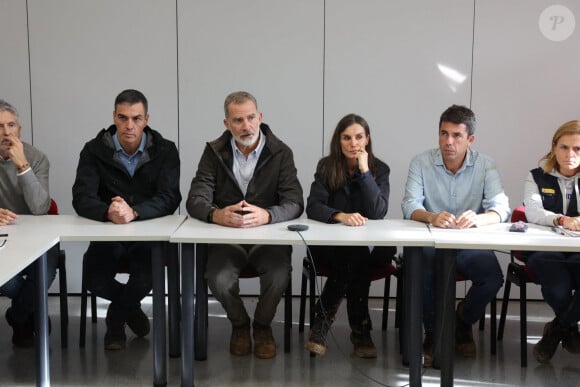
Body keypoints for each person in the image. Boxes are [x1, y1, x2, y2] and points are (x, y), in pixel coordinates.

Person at [186, 91, 303, 359]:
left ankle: (262, 327)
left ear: (260, 117)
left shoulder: (281, 152)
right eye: (238, 120)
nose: (246, 126)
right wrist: (215, 215)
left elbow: (295, 201)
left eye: (251, 118)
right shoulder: (214, 151)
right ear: (227, 123)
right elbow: (195, 198)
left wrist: (268, 215)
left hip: (268, 239)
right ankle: (240, 325)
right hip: (228, 239)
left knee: (278, 277)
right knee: (218, 278)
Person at [401, 104, 510, 367]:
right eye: (443, 133)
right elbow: (409, 205)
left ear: (470, 139)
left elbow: (502, 208)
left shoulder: (485, 165)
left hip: (468, 242)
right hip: (431, 241)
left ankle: (462, 321)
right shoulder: (421, 162)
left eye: (456, 136)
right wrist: (431, 216)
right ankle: (432, 334)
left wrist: (479, 218)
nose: (448, 142)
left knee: (492, 278)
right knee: (424, 272)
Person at [72, 89, 181, 350]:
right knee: (93, 278)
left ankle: (115, 322)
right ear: (114, 117)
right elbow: (81, 197)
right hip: (109, 233)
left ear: (146, 119)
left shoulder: (165, 150)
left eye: (136, 118)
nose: (129, 125)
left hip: (147, 234)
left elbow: (170, 196)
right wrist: (108, 212)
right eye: (122, 118)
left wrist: (135, 212)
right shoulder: (94, 150)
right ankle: (131, 312)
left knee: (146, 277)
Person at [304, 113, 395, 358]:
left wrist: (365, 173)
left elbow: (378, 211)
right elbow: (312, 206)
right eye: (346, 138)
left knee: (357, 256)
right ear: (338, 140)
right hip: (330, 247)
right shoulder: (326, 167)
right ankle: (361, 330)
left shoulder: (380, 169)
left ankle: (322, 319)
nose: (353, 143)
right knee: (354, 256)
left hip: (368, 247)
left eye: (358, 137)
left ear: (367, 139)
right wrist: (340, 215)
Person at [0, 99, 57, 348]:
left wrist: (22, 166)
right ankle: (32, 312)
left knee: (44, 273)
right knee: (6, 278)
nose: (6, 132)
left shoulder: (36, 158)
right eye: (0, 126)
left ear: (19, 129)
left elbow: (40, 208)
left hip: (37, 235)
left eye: (11, 125)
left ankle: (17, 316)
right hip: (2, 238)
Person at [523, 120, 580, 363]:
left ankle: (557, 329)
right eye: (564, 147)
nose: (570, 154)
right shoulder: (536, 176)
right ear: (554, 148)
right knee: (557, 287)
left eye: (578, 149)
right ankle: (568, 327)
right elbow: (533, 212)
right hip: (546, 250)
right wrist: (561, 220)